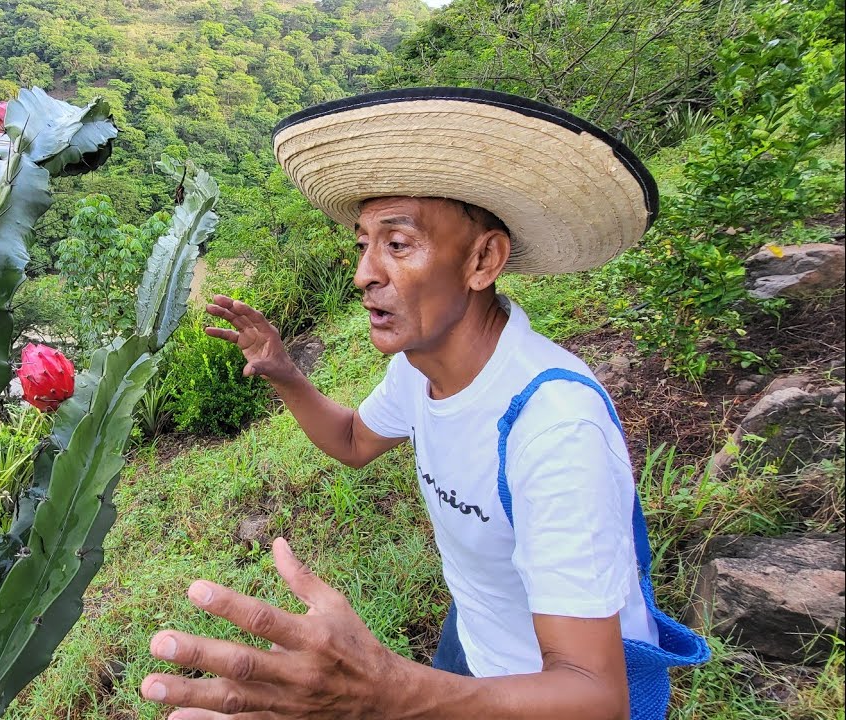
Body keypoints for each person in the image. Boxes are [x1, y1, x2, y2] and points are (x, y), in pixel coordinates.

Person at [138, 88, 708, 719]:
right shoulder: (419, 367)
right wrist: (282, 373)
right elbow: (354, 441)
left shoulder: (554, 429)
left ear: (483, 259)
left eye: (399, 243)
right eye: (363, 244)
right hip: (472, 640)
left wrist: (388, 691)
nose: (364, 273)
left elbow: (597, 697)